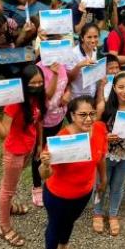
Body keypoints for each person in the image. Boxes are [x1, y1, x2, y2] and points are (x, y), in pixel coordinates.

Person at [38, 95, 107, 249]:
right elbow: (45, 174)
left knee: (70, 222)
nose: (89, 119)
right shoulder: (62, 139)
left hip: (84, 192)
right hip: (58, 195)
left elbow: (101, 156)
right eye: (82, 114)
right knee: (55, 224)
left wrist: (103, 178)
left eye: (92, 113)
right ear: (72, 115)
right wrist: (45, 164)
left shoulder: (100, 129)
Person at [0, 65, 45, 247]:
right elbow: (3, 133)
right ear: (24, 84)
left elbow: (38, 121)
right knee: (7, 189)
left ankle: (6, 207)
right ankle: (3, 226)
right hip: (14, 152)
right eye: (33, 83)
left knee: (12, 185)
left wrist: (40, 144)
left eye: (40, 82)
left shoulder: (37, 98)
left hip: (28, 148)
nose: (38, 85)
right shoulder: (14, 104)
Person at [92, 71, 125, 235]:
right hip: (106, 155)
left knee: (118, 186)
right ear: (114, 88)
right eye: (121, 87)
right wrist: (105, 136)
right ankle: (98, 212)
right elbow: (92, 131)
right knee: (101, 184)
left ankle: (113, 214)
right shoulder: (104, 107)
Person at [31, 58, 70, 208]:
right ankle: (36, 186)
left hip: (58, 116)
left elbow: (66, 84)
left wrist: (68, 92)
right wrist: (54, 74)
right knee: (38, 153)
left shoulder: (62, 64)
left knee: (50, 151)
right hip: (42, 121)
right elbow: (46, 96)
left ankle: (47, 175)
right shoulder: (38, 69)